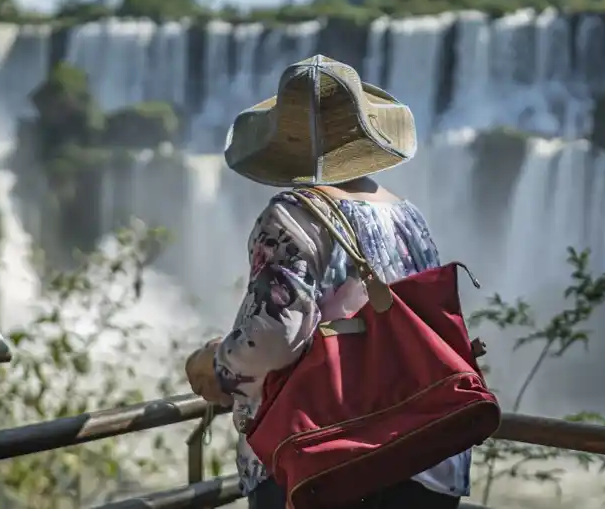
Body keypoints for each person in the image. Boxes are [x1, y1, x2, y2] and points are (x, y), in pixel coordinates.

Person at [185, 55, 468, 509]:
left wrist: (216, 365)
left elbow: (275, 337)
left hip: (328, 461)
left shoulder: (294, 215)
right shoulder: (406, 215)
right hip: (415, 450)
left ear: (284, 138)